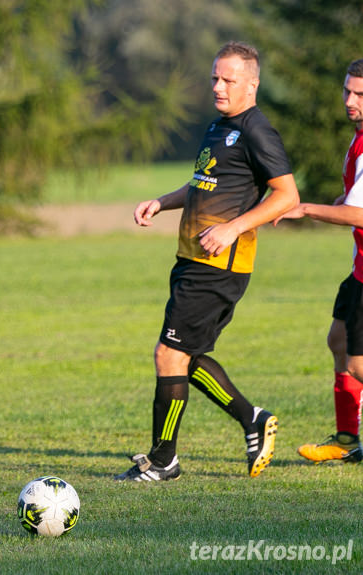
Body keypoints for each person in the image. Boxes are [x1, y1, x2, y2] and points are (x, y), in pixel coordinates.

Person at [114, 41, 300, 482]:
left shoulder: (257, 130)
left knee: (169, 353)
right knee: (184, 354)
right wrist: (162, 202)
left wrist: (234, 228)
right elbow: (203, 184)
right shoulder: (220, 127)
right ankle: (251, 418)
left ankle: (164, 462)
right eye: (215, 77)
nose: (217, 86)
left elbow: (286, 195)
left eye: (228, 80)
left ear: (251, 84)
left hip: (219, 265)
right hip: (193, 260)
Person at [273, 59, 363, 464]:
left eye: (360, 94)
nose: (349, 100)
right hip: (359, 268)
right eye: (347, 91)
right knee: (339, 342)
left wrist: (305, 208)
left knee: (358, 363)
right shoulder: (357, 141)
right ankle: (346, 439)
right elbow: (351, 205)